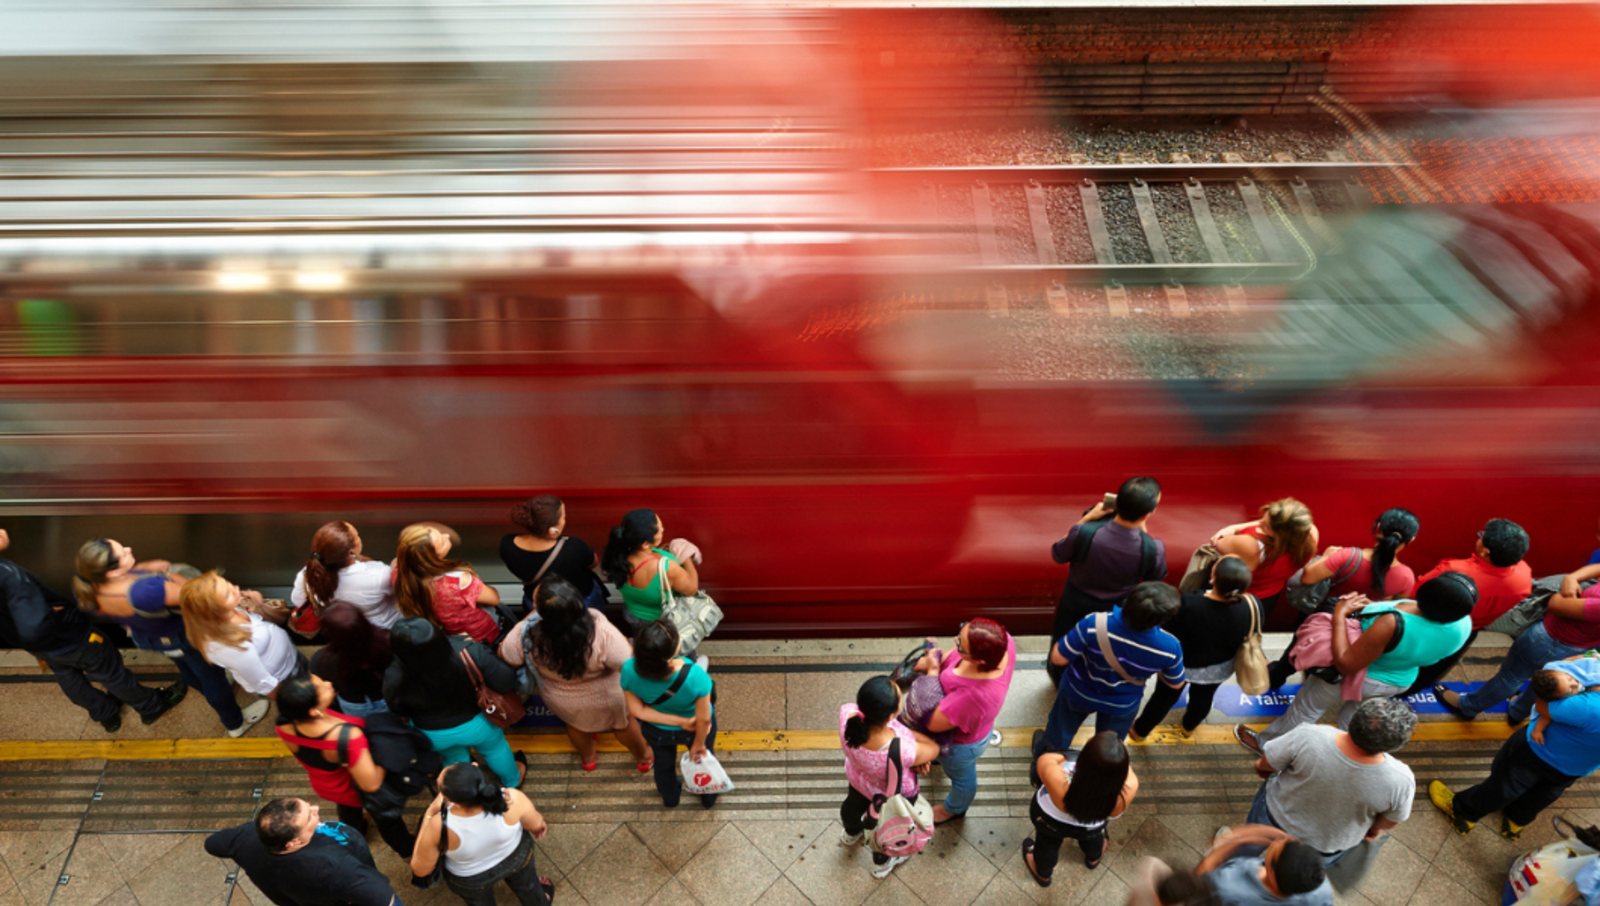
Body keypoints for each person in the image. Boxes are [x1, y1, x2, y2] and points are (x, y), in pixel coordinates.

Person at [1238, 573, 1475, 752]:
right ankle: (1340, 756)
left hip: (1359, 677)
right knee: (1353, 720)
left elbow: (1345, 664)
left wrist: (1341, 615)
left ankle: (1267, 745)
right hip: (1398, 679)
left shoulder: (1392, 624)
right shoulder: (1463, 624)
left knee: (1307, 708)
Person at [73, 536, 264, 736]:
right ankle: (235, 723)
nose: (129, 548)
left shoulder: (85, 587)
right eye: (123, 553)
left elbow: (127, 591)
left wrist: (143, 567)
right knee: (212, 677)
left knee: (188, 669)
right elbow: (193, 595)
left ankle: (202, 687)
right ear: (112, 572)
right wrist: (168, 575)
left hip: (150, 637)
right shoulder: (146, 591)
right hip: (183, 637)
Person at [0, 529, 186, 733]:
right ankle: (150, 706)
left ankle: (105, 714)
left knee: (68, 676)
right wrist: (45, 614)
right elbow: (33, 626)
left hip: (36, 645)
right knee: (111, 674)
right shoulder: (11, 578)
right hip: (71, 638)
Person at [1430, 654, 1600, 841]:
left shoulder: (1590, 706)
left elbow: (1545, 700)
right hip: (1576, 768)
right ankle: (1515, 821)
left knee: (1505, 784)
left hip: (1540, 751)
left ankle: (1463, 813)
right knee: (1544, 793)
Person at [1244, 698, 1415, 877]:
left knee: (1246, 844)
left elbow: (1266, 763)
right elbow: (1389, 821)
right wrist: (1373, 828)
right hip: (1323, 845)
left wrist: (1262, 770)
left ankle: (1230, 865)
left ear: (1355, 719)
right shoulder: (1401, 781)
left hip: (1273, 817)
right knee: (1289, 877)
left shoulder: (1309, 735)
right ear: (1395, 745)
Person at [498, 575, 653, 772]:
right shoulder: (600, 629)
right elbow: (628, 665)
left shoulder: (526, 632)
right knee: (622, 725)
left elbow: (507, 656)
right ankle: (644, 757)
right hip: (607, 696)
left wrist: (527, 620)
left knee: (576, 726)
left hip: (560, 697)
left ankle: (588, 759)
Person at [1438, 558, 1600, 724]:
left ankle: (1468, 707)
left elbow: (1556, 604)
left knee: (1510, 678)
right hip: (1579, 646)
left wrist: (1567, 584)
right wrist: (1571, 578)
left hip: (1548, 640)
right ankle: (1518, 712)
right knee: (1547, 682)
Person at [1037, 582, 1185, 758]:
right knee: (1108, 746)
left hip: (1078, 691)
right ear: (1162, 619)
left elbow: (1058, 658)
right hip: (1121, 704)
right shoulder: (1170, 647)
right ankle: (1098, 771)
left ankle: (1047, 761)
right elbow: (1175, 684)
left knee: (1059, 732)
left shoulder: (1095, 623)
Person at [274, 674, 416, 857]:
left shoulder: (284, 723)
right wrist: (387, 754)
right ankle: (407, 849)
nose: (329, 683)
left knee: (349, 811)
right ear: (313, 712)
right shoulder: (347, 737)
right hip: (350, 787)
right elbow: (371, 784)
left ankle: (357, 832)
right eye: (323, 688)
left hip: (324, 784)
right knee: (388, 821)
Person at [1048, 477, 1168, 684]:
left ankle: (1059, 681)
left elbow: (1058, 554)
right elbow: (1155, 578)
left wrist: (1086, 519)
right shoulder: (1152, 548)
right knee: (1102, 648)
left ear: (1116, 503)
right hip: (1115, 609)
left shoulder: (1084, 532)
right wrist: (1144, 531)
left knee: (1064, 643)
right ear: (1148, 513)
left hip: (1074, 600)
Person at [384, 617, 526, 788]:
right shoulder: (467, 651)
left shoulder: (393, 674)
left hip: (433, 733)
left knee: (453, 759)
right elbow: (505, 681)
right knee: (495, 749)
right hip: (477, 724)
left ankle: (467, 792)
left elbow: (397, 709)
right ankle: (512, 782)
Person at [1131, 556, 1257, 741]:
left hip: (1181, 665)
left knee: (1163, 698)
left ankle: (1140, 731)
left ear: (1213, 579)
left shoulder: (1190, 603)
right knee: (1203, 697)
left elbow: (1167, 632)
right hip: (1220, 668)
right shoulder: (1252, 605)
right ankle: (1189, 726)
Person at [1405, 518, 1532, 697]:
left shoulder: (1452, 571)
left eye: (1482, 535)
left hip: (1428, 623)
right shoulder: (1524, 576)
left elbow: (1416, 594)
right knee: (1435, 666)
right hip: (1468, 631)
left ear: (1485, 551)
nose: (1479, 537)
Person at [204, 797, 398, 906]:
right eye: (309, 815)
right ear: (294, 841)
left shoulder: (249, 837)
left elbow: (212, 844)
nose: (316, 808)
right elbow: (386, 899)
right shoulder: (335, 868)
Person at [914, 617, 1016, 824]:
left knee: (962, 780)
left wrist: (932, 670)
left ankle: (954, 808)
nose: (954, 640)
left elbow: (933, 723)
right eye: (961, 631)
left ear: (979, 660)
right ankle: (936, 760)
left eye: (960, 644)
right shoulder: (1005, 643)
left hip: (959, 746)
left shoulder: (973, 696)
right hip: (975, 727)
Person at [838, 675, 940, 879]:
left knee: (852, 806)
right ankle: (881, 863)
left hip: (858, 780)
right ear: (891, 715)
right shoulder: (902, 748)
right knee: (884, 828)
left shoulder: (847, 714)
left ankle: (851, 833)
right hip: (888, 797)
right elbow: (933, 748)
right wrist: (913, 745)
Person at [409, 763, 553, 906]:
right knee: (528, 885)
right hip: (516, 857)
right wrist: (539, 826)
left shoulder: (438, 825)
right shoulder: (512, 798)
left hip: (470, 877)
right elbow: (535, 824)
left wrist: (429, 813)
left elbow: (420, 869)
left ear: (455, 803)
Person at [620, 619, 718, 809]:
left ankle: (671, 799)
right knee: (703, 762)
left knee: (663, 766)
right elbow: (704, 719)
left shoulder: (629, 670)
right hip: (694, 729)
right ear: (671, 652)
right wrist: (698, 744)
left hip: (657, 730)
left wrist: (678, 722)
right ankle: (708, 798)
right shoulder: (696, 676)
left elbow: (637, 710)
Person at [1023, 731, 1141, 887]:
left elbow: (1047, 759)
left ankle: (1043, 874)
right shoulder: (1129, 788)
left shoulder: (1058, 781)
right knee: (1094, 838)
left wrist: (1080, 757)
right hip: (1091, 825)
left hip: (1050, 820)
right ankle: (1093, 857)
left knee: (1047, 844)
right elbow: (1126, 773)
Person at [181, 571, 305, 699]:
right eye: (228, 594)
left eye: (229, 584)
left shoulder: (227, 611)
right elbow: (264, 684)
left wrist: (251, 600)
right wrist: (291, 699)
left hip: (291, 660)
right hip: (283, 677)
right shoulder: (229, 646)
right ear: (215, 610)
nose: (237, 589)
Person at [393, 523, 504, 645]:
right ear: (433, 557)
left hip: (446, 635)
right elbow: (494, 599)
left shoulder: (398, 573)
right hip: (480, 635)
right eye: (442, 541)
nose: (446, 535)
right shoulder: (459, 581)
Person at [602, 509, 701, 644]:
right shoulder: (667, 568)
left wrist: (660, 552)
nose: (663, 530)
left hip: (634, 617)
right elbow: (692, 589)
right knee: (681, 655)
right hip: (662, 623)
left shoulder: (616, 557)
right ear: (645, 544)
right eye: (660, 530)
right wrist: (686, 556)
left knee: (646, 648)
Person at [1210, 499, 1319, 616]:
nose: (1259, 523)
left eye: (1266, 525)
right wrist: (1235, 528)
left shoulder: (1252, 546)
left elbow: (1217, 542)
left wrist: (1232, 529)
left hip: (1236, 598)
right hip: (1268, 598)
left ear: (1280, 534)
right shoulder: (1310, 534)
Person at [500, 494, 606, 610]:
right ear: (552, 530)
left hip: (539, 603)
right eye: (563, 517)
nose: (565, 519)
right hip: (579, 600)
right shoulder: (573, 546)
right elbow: (593, 562)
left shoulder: (507, 544)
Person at [292, 522, 401, 631]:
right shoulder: (379, 574)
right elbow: (402, 595)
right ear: (350, 552)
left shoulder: (308, 574)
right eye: (357, 535)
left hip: (341, 636)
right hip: (382, 633)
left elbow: (298, 601)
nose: (359, 537)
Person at [1197, 825, 1333, 906]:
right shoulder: (1320, 889)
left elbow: (1197, 881)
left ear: (1273, 877)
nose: (1274, 843)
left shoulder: (1227, 885)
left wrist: (1229, 844)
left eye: (1275, 848)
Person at [311, 603, 394, 718]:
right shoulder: (387, 642)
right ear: (363, 621)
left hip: (353, 703)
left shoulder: (322, 660)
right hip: (386, 697)